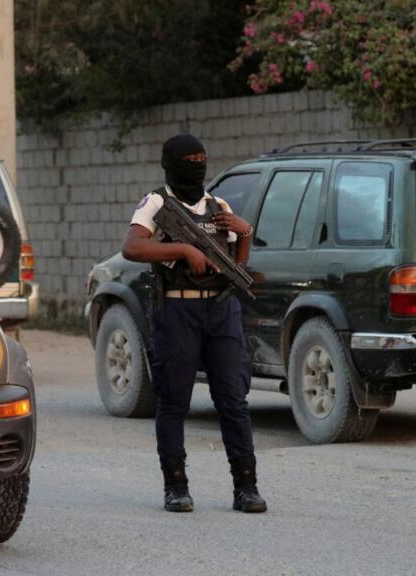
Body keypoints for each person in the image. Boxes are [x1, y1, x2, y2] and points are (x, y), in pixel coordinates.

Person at [121, 134, 267, 514]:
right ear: (170, 163)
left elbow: (237, 265)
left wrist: (244, 230)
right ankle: (176, 487)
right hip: (177, 311)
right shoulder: (157, 203)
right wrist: (183, 250)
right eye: (189, 159)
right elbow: (133, 247)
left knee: (233, 401)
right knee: (173, 402)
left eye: (201, 158)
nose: (197, 165)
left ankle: (246, 487)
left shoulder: (218, 205)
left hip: (220, 310)